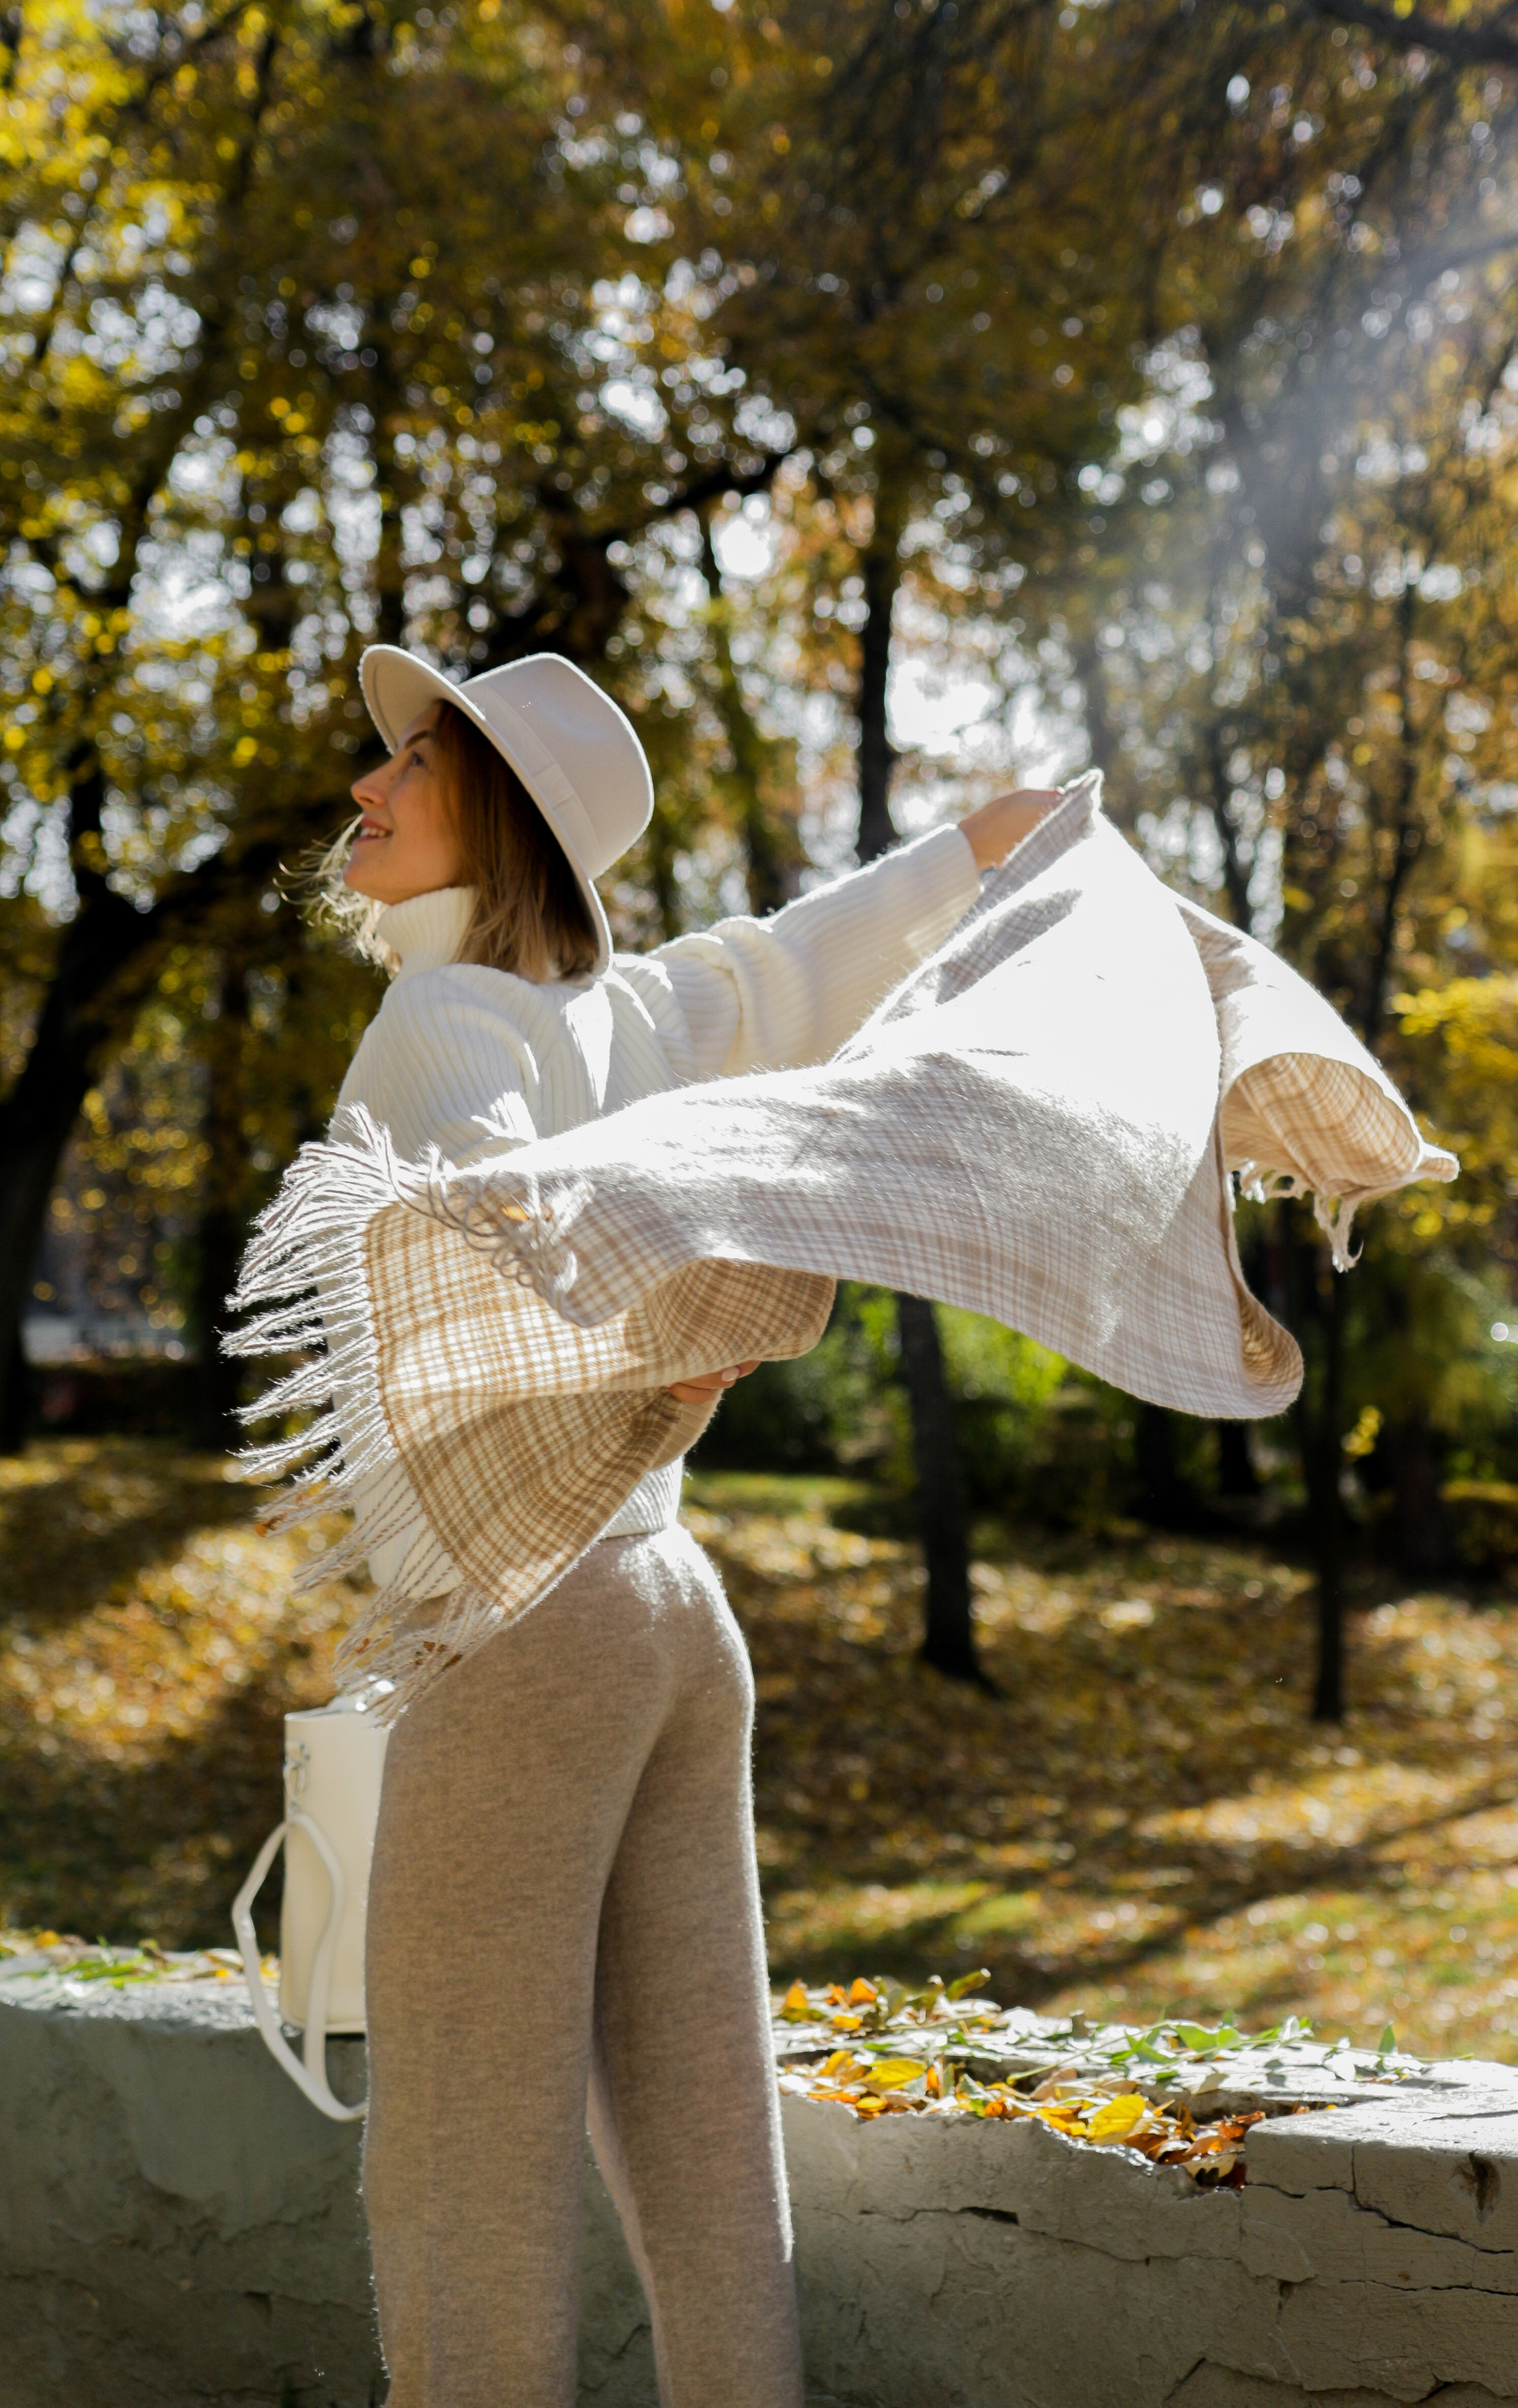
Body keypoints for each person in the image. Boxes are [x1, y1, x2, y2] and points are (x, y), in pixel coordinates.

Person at [320, 643, 1056, 2408]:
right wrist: (982, 845)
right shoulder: (641, 1013)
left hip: (511, 1639)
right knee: (705, 2163)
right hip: (663, 1616)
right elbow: (807, 962)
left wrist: (671, 1347)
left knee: (459, 2196)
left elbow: (506, 1245)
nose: (363, 788)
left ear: (493, 817)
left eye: (408, 764)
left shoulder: (442, 1023)